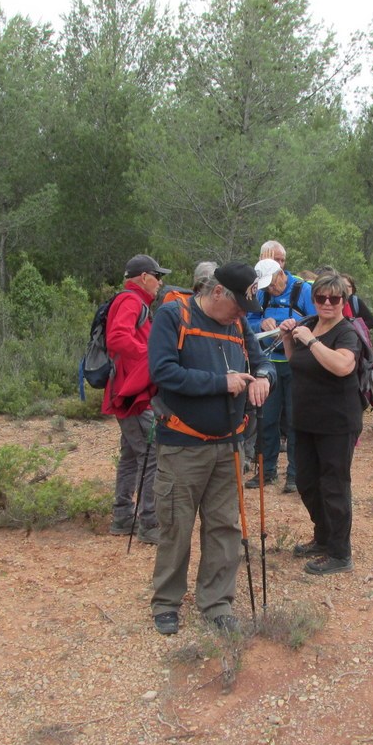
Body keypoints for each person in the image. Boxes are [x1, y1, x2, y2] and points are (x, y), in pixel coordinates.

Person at [147, 263, 274, 635]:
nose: (240, 316)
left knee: (224, 527)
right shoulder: (174, 315)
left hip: (229, 444)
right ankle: (167, 602)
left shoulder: (237, 323)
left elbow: (262, 360)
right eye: (237, 306)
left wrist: (263, 379)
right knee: (176, 525)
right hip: (182, 445)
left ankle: (217, 602)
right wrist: (222, 382)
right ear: (217, 292)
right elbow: (163, 372)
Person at [278, 271, 362, 575]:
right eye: (320, 298)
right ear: (313, 300)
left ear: (343, 301)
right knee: (307, 482)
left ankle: (340, 553)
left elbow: (342, 366)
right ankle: (323, 536)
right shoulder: (307, 325)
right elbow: (295, 362)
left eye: (334, 298)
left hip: (337, 422)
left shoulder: (346, 332)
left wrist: (311, 341)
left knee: (334, 485)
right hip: (305, 419)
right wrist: (290, 338)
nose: (327, 303)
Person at [105, 254, 171, 544]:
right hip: (133, 393)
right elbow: (117, 339)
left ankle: (122, 517)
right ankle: (149, 522)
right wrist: (150, 355)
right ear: (144, 276)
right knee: (152, 454)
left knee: (132, 455)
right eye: (158, 276)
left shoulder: (132, 302)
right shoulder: (131, 301)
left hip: (126, 391)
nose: (160, 283)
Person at [246, 241, 313, 494]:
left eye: (273, 284)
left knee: (296, 420)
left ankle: (295, 475)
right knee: (267, 419)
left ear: (281, 272)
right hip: (268, 364)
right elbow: (246, 321)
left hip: (296, 363)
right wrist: (262, 323)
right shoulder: (261, 292)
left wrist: (292, 324)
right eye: (266, 287)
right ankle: (266, 470)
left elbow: (317, 319)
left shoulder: (302, 289)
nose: (271, 290)